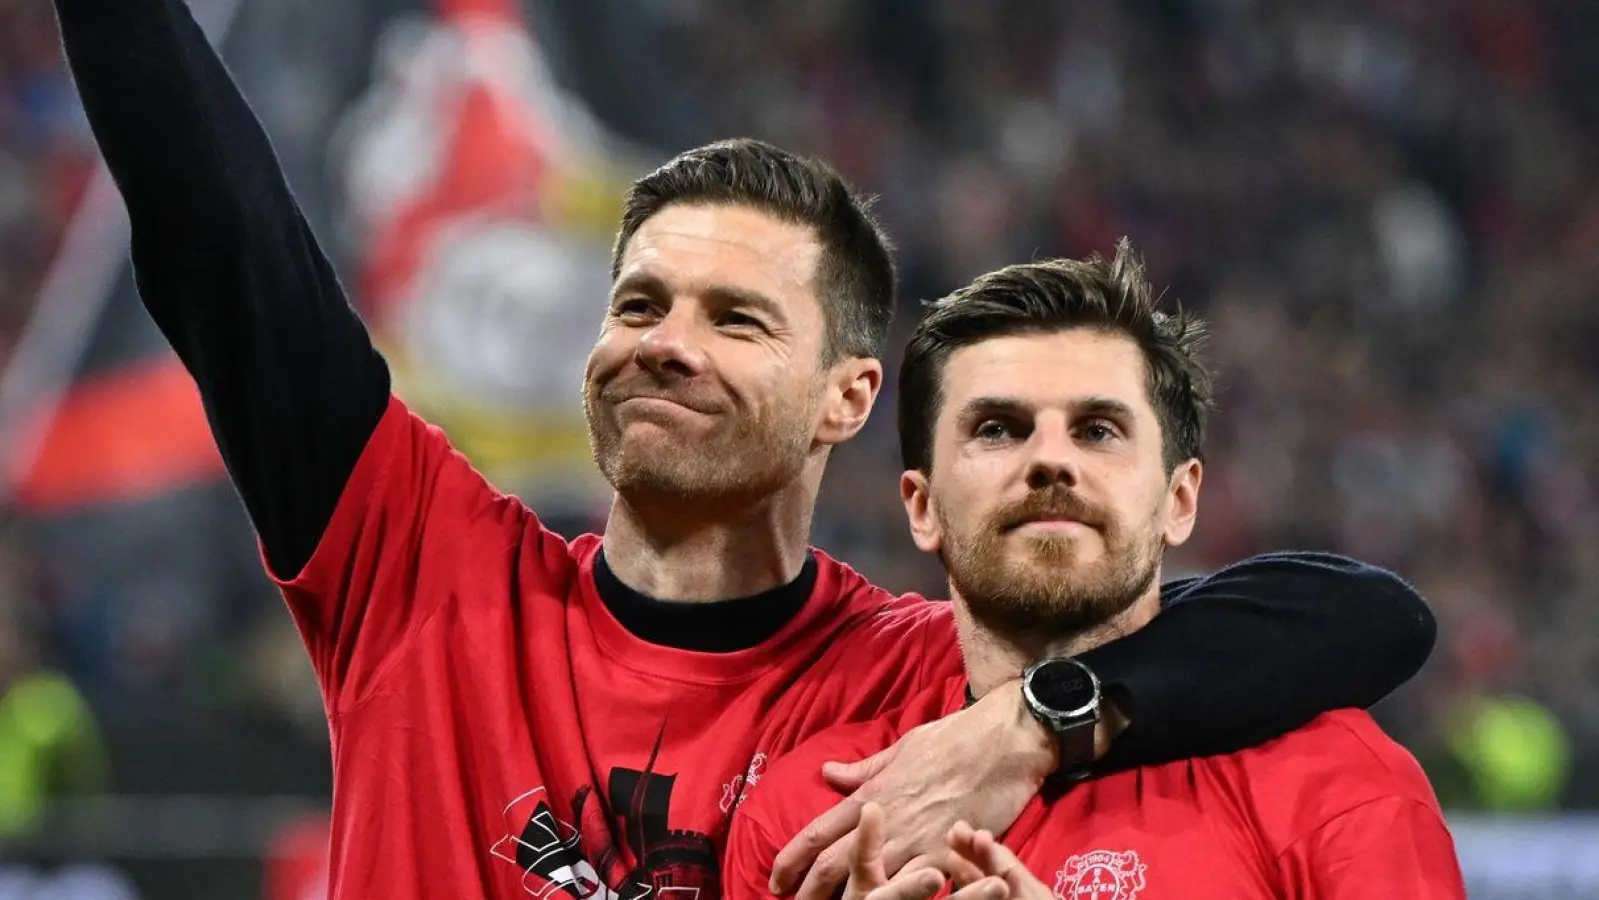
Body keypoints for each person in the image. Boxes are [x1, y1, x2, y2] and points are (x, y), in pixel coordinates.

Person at [50, 2, 1437, 898]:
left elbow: (1349, 617)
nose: (664, 341)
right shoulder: (418, 570)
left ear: (846, 398)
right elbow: (215, 236)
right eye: (638, 304)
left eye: (732, 319)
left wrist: (1024, 724)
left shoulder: (919, 682)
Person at [723, 246, 1465, 900]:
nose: (1050, 459)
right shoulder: (816, 814)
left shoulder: (1335, 781)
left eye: (1097, 430)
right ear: (922, 507)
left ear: (1179, 499)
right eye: (997, 429)